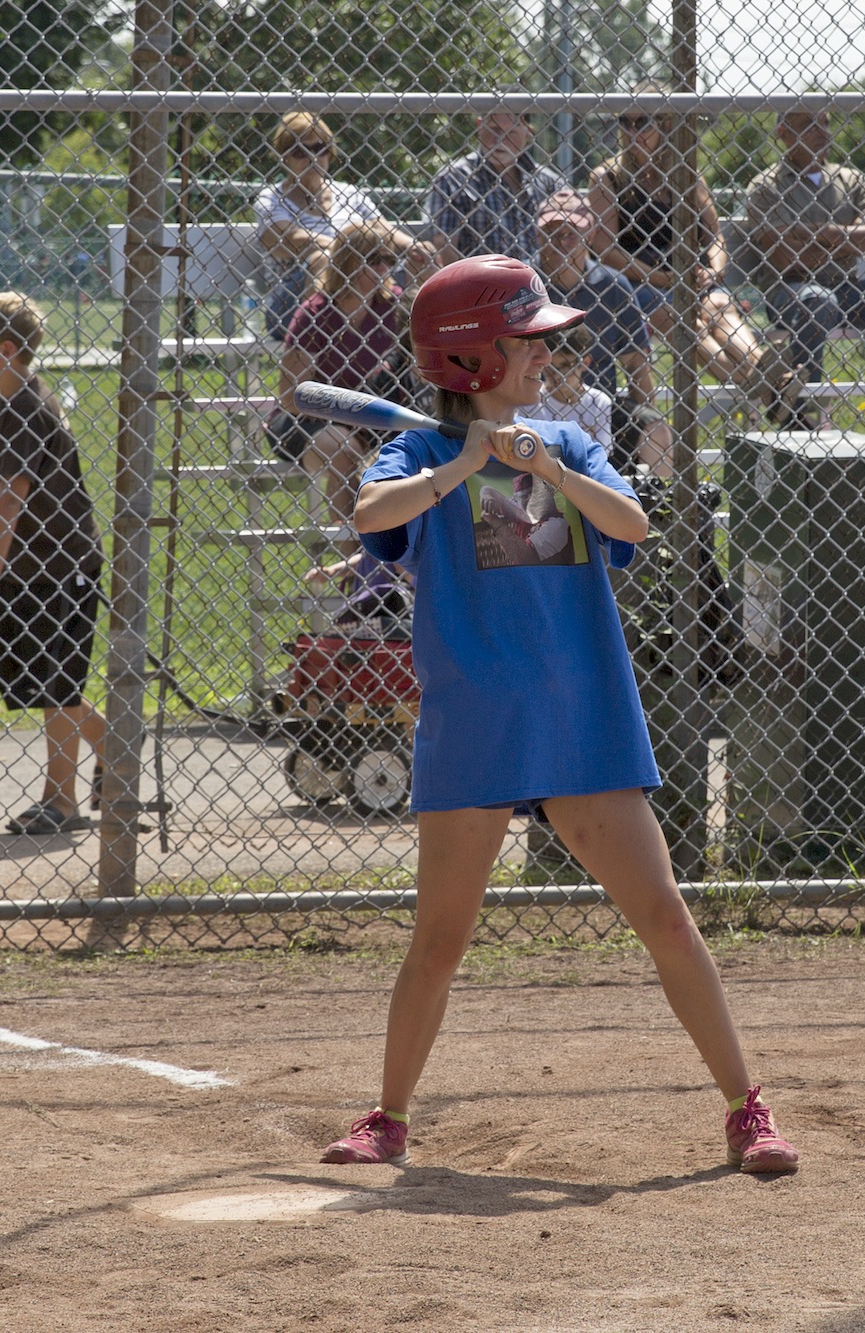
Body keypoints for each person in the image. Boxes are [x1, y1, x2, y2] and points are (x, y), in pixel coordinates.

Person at [318, 254, 798, 1174]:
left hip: (580, 714)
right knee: (440, 939)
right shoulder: (421, 453)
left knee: (664, 915)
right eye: (527, 342)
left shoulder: (567, 444)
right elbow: (372, 514)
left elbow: (633, 524)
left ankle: (747, 1108)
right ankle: (389, 1115)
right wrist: (466, 463)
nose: (546, 356)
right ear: (470, 359)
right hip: (476, 719)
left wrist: (550, 468)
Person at [0, 292, 106, 834]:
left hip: (58, 565)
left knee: (56, 686)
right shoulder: (13, 398)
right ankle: (116, 749)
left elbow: (9, 500)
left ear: (6, 348)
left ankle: (60, 800)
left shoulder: (21, 406)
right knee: (46, 681)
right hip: (38, 564)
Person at [588, 93, 800, 423]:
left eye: (642, 122)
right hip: (637, 282)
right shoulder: (608, 177)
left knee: (720, 307)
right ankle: (771, 386)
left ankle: (764, 379)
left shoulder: (685, 174)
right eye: (625, 123)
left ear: (664, 125)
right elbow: (605, 248)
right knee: (685, 322)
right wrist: (660, 278)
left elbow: (714, 236)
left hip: (690, 276)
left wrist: (714, 271)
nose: (632, 131)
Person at [744, 109, 865, 442]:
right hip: (790, 291)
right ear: (783, 133)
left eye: (825, 122)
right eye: (808, 125)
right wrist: (850, 237)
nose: (822, 131)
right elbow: (784, 257)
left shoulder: (849, 179)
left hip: (848, 289)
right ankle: (799, 414)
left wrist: (818, 234)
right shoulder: (765, 186)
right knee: (818, 300)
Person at [272, 221, 409, 555]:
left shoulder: (394, 308)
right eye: (374, 259)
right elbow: (290, 396)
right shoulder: (316, 313)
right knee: (342, 447)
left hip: (374, 420)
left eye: (389, 260)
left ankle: (371, 559)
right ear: (348, 261)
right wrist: (341, 410)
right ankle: (357, 559)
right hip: (306, 421)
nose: (384, 269)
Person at [253, 112, 434, 343]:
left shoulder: (349, 194)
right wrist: (350, 251)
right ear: (284, 156)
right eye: (300, 151)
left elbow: (385, 233)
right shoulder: (271, 199)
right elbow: (288, 239)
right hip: (292, 306)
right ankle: (324, 341)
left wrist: (414, 247)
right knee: (321, 258)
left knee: (421, 258)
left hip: (366, 291)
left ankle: (433, 337)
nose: (313, 157)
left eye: (319, 148)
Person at [533, 190, 674, 473]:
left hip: (598, 405)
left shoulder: (613, 285)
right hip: (534, 405)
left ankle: (663, 497)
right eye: (552, 232)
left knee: (655, 430)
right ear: (538, 235)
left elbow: (635, 364)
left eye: (572, 232)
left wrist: (647, 413)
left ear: (590, 234)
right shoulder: (525, 282)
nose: (562, 241)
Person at [424, 108, 569, 264]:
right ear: (480, 125)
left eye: (511, 132)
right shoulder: (453, 179)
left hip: (539, 277)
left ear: (528, 132)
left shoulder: (549, 182)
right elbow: (444, 246)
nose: (500, 140)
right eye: (494, 129)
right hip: (480, 277)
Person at [530, 322, 614, 456]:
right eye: (550, 366)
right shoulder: (530, 400)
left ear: (585, 362)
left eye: (565, 366)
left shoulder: (598, 402)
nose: (557, 375)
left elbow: (601, 454)